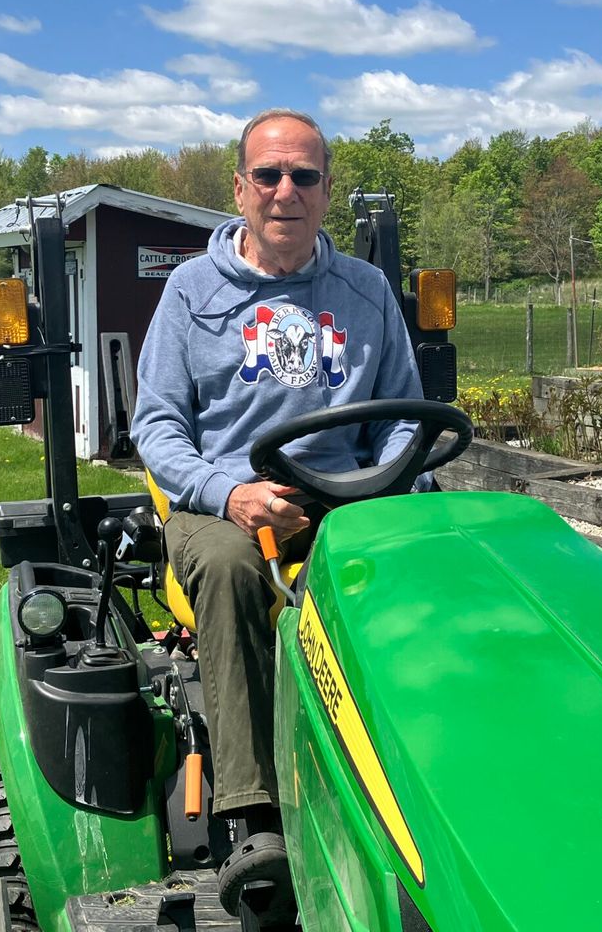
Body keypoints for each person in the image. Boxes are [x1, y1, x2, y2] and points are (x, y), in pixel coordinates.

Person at [131, 108, 425, 916]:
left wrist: (384, 481)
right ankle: (254, 814)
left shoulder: (364, 290)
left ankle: (423, 772)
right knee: (231, 568)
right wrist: (227, 494)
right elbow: (157, 426)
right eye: (268, 175)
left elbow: (403, 414)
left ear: (326, 191)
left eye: (304, 175)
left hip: (345, 493)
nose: (285, 190)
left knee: (427, 559)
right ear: (240, 188)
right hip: (226, 499)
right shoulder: (192, 292)